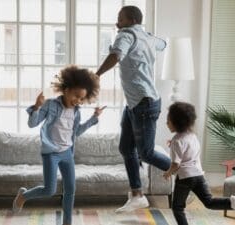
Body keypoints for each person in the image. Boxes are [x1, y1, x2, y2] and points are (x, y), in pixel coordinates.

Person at [95, 5, 170, 213]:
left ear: (130, 20)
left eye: (120, 18)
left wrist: (97, 74)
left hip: (144, 103)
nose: (117, 22)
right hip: (136, 104)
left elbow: (116, 55)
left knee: (145, 153)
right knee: (126, 148)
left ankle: (185, 172)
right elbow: (163, 44)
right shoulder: (146, 37)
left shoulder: (125, 35)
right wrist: (156, 40)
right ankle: (137, 195)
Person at [12, 65, 105, 225]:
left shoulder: (76, 111)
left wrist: (93, 118)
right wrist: (37, 106)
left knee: (70, 190)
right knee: (49, 190)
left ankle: (67, 222)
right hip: (51, 153)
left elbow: (76, 132)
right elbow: (32, 124)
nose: (78, 100)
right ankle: (23, 196)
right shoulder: (51, 105)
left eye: (82, 98)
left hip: (67, 153)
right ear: (66, 89)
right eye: (76, 95)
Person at [163, 102, 235, 225]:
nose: (166, 123)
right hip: (198, 175)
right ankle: (232, 202)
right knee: (209, 201)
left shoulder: (177, 141)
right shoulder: (192, 136)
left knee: (177, 207)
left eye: (168, 121)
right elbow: (187, 149)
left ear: (177, 123)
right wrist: (173, 143)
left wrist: (168, 173)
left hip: (185, 178)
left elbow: (176, 164)